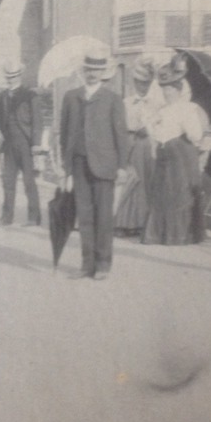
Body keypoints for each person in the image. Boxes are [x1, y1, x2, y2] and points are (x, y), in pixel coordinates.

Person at [58, 48, 130, 281]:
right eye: (89, 70)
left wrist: (121, 166)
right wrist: (66, 168)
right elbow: (65, 136)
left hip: (105, 166)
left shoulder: (113, 99)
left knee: (103, 217)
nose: (92, 74)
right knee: (85, 216)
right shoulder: (71, 97)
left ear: (103, 73)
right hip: (79, 165)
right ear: (83, 71)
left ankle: (103, 265)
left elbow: (121, 135)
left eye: (97, 70)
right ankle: (86, 264)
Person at [142, 57, 208, 245]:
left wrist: (186, 131)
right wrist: (151, 126)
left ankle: (180, 234)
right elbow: (155, 132)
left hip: (181, 154)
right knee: (162, 192)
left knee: (179, 193)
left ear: (179, 90)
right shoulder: (162, 110)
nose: (166, 92)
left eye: (171, 88)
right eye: (164, 88)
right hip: (165, 154)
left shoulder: (187, 109)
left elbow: (195, 135)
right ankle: (161, 234)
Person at [113, 56, 158, 237]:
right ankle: (124, 223)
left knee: (145, 184)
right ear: (134, 83)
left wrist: (149, 131)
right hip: (129, 144)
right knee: (129, 181)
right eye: (139, 83)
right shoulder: (125, 103)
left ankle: (141, 223)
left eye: (146, 83)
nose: (142, 87)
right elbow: (119, 126)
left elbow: (160, 126)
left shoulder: (156, 104)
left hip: (147, 146)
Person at [0, 59, 41, 227]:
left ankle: (34, 217)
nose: (11, 79)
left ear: (20, 76)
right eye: (9, 76)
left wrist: (36, 144)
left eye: (14, 76)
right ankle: (6, 217)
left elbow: (37, 120)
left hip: (26, 143)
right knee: (8, 181)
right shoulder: (3, 96)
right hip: (9, 144)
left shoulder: (30, 95)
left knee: (29, 181)